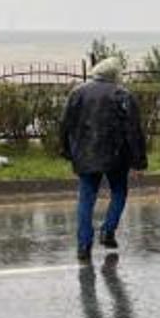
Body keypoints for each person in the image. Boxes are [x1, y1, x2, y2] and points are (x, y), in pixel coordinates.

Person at [61, 56, 147, 260]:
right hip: (117, 156)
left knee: (86, 198)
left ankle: (83, 245)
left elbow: (65, 124)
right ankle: (108, 230)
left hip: (85, 154)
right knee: (119, 192)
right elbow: (133, 131)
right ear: (115, 74)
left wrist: (66, 151)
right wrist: (139, 160)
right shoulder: (123, 95)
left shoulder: (77, 92)